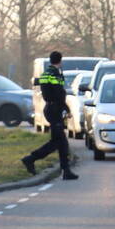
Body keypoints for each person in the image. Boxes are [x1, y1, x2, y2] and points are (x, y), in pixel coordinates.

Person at [21, 51, 78, 181]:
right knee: (57, 142)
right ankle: (30, 159)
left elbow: (40, 84)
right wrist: (66, 108)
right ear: (60, 61)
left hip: (50, 108)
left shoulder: (46, 73)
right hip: (55, 109)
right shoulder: (55, 74)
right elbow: (59, 93)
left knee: (61, 143)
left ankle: (66, 170)